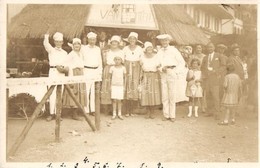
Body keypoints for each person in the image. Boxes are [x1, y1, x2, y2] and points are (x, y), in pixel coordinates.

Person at [156, 34, 186, 122]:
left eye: (166, 40)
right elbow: (157, 63)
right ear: (160, 42)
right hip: (163, 73)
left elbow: (182, 62)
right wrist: (161, 68)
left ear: (169, 41)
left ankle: (172, 115)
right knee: (164, 94)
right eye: (162, 41)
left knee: (172, 94)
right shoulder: (160, 51)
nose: (164, 42)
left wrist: (175, 72)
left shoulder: (174, 50)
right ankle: (166, 115)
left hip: (172, 71)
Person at [43, 32, 69, 121]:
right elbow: (46, 44)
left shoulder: (65, 53)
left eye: (60, 41)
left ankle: (58, 114)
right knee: (52, 93)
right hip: (53, 71)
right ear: (54, 42)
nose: (59, 43)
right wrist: (46, 35)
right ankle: (51, 113)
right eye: (57, 41)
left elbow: (66, 64)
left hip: (61, 73)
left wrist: (64, 68)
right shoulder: (51, 50)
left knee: (60, 93)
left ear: (62, 42)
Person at [201, 42, 226, 120]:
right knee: (208, 96)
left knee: (216, 97)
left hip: (215, 79)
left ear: (214, 48)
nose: (210, 49)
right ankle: (209, 111)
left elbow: (224, 66)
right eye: (208, 47)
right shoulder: (205, 57)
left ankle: (217, 113)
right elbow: (202, 67)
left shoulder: (219, 56)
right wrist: (205, 73)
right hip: (207, 80)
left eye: (211, 47)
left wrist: (216, 71)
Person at [62, 38, 86, 120]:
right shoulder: (71, 54)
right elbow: (66, 65)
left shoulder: (81, 54)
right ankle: (74, 114)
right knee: (74, 92)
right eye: (75, 44)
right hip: (74, 73)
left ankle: (78, 111)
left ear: (80, 46)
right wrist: (71, 76)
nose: (77, 46)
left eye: (78, 44)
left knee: (80, 92)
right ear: (72, 46)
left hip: (81, 73)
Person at [101, 35, 124, 114]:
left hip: (117, 71)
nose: (114, 43)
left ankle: (116, 110)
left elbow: (122, 63)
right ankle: (107, 109)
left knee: (116, 88)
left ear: (118, 43)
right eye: (113, 42)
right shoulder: (106, 51)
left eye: (116, 42)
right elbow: (104, 62)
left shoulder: (121, 52)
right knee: (107, 88)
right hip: (107, 70)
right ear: (110, 43)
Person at [81, 32, 103, 116]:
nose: (92, 41)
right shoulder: (84, 48)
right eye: (90, 39)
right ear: (87, 39)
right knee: (86, 90)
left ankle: (93, 109)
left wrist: (100, 72)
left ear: (96, 40)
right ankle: (86, 110)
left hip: (95, 71)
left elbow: (100, 61)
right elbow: (81, 59)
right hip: (86, 70)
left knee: (94, 91)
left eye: (93, 39)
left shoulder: (98, 49)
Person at [123, 32, 144, 117]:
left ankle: (133, 110)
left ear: (136, 40)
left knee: (135, 86)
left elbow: (142, 59)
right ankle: (127, 111)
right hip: (127, 67)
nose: (132, 40)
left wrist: (138, 63)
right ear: (128, 40)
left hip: (136, 68)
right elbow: (122, 58)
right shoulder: (125, 48)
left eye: (134, 39)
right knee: (127, 85)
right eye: (130, 39)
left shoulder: (139, 49)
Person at [140, 42, 161, 119]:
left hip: (154, 75)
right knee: (146, 93)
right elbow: (141, 67)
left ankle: (152, 112)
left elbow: (159, 66)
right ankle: (147, 111)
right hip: (145, 75)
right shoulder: (142, 57)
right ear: (145, 49)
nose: (149, 49)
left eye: (151, 48)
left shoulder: (156, 57)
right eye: (148, 48)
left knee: (153, 93)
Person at [109, 56, 126, 120]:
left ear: (121, 60)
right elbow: (110, 78)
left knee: (119, 100)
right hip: (114, 85)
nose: (117, 61)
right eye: (116, 59)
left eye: (119, 59)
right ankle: (114, 114)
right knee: (114, 100)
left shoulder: (123, 68)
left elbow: (125, 78)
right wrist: (110, 86)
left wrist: (124, 86)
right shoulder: (112, 68)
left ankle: (119, 113)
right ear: (114, 60)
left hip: (120, 86)